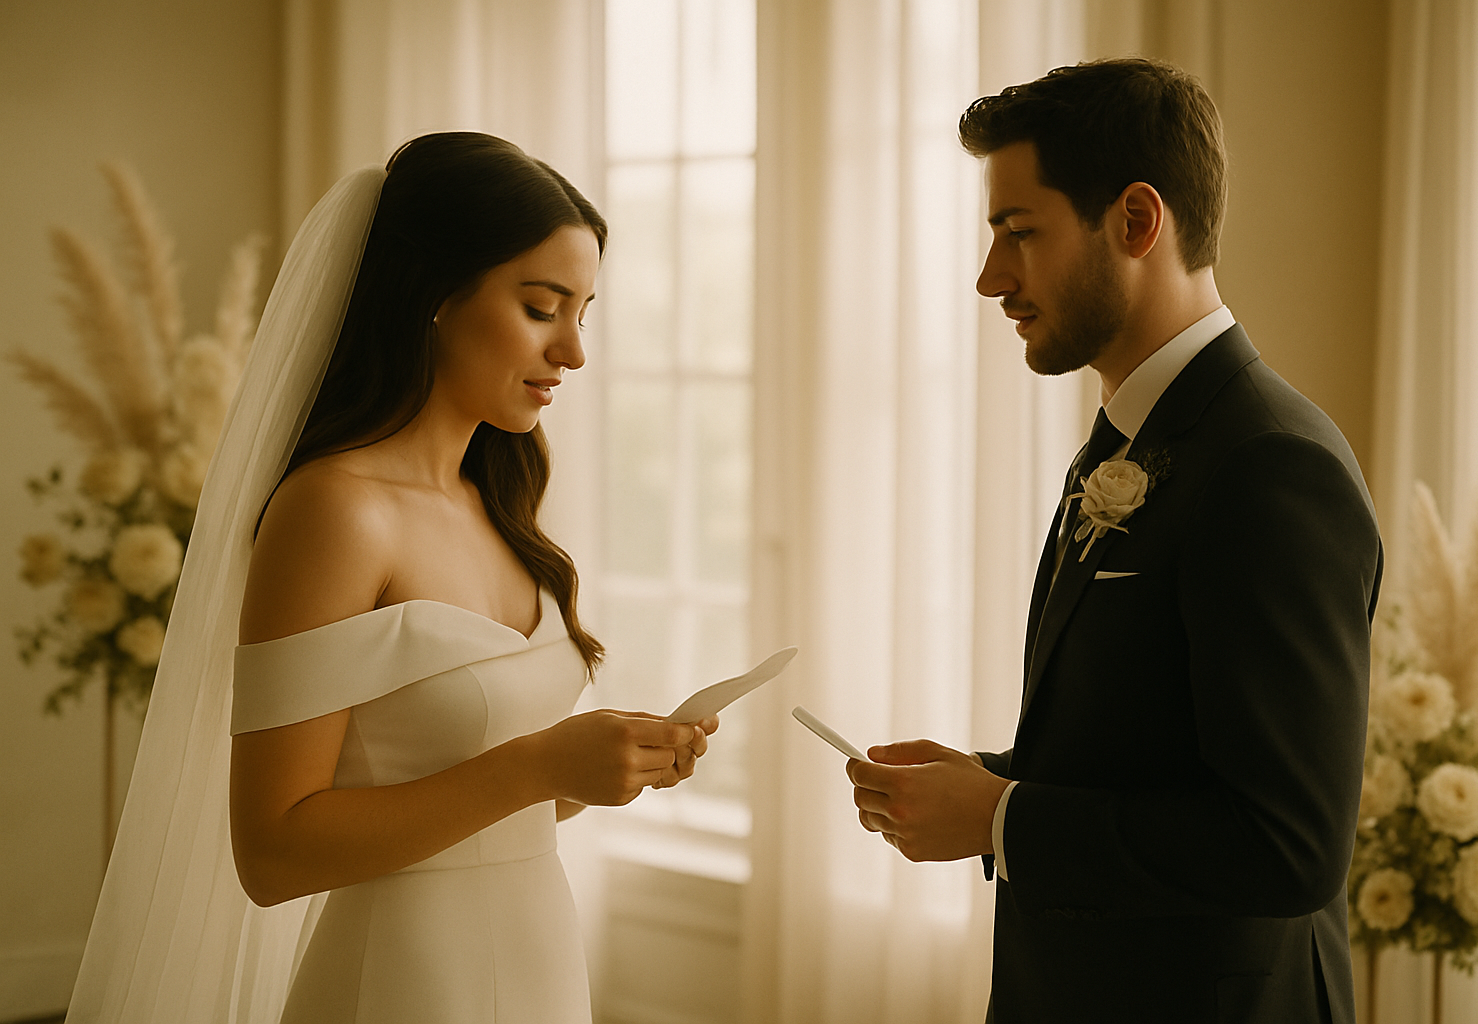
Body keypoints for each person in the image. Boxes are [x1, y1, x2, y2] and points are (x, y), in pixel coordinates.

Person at [67, 133, 715, 1024]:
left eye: (584, 312)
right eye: (541, 307)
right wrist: (537, 765)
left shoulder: (499, 501)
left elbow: (473, 800)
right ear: (436, 299)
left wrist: (602, 767)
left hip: (540, 969)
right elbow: (273, 853)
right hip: (401, 985)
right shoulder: (334, 511)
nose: (573, 351)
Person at [845, 59, 1382, 1023]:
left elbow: (1286, 845)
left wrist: (1004, 820)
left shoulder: (1269, 465)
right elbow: (1160, 752)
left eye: (1019, 234)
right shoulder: (1129, 440)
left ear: (1138, 222)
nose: (989, 278)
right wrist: (986, 785)